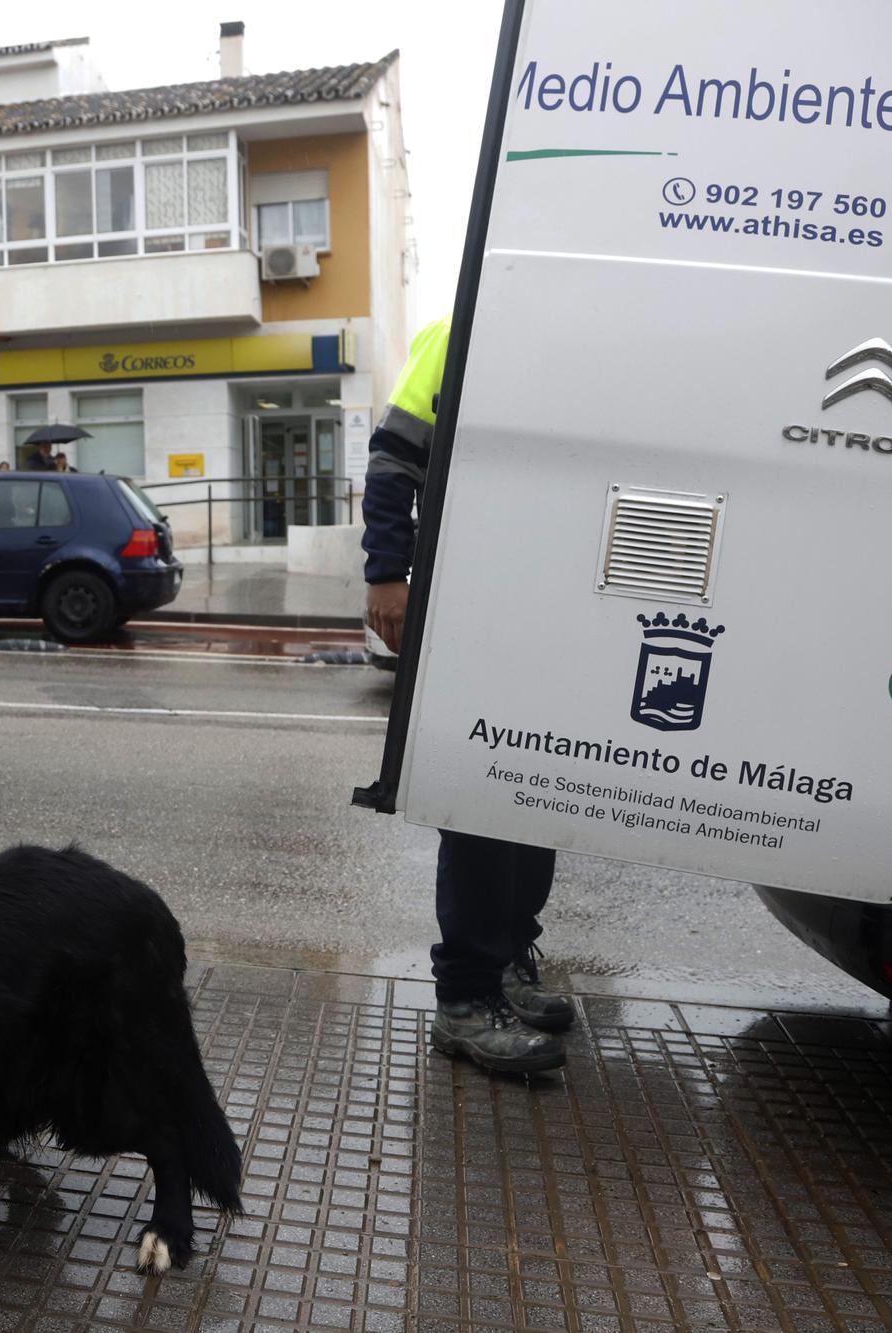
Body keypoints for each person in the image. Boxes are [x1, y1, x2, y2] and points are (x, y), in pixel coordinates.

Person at [363, 312, 573, 1075]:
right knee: (487, 793)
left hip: (554, 603)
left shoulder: (589, 331)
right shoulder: (468, 326)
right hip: (475, 601)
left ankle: (510, 957)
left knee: (540, 789)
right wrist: (387, 572)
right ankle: (465, 997)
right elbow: (393, 457)